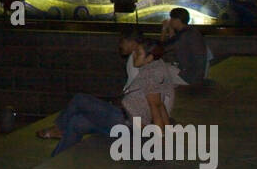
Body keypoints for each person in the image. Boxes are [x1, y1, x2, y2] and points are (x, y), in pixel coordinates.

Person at [39, 31, 183, 156]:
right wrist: (166, 130)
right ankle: (56, 157)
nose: (134, 57)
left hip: (127, 122)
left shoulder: (150, 75)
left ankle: (58, 128)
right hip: (126, 120)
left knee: (80, 99)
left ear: (149, 57)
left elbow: (156, 105)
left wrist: (158, 138)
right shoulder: (157, 66)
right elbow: (161, 105)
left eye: (138, 54)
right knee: (77, 122)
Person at [154, 7, 207, 86]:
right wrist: (171, 29)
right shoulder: (191, 31)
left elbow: (160, 49)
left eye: (172, 19)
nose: (170, 21)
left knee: (153, 69)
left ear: (178, 21)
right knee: (164, 65)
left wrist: (164, 29)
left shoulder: (184, 35)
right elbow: (174, 42)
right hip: (196, 73)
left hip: (189, 77)